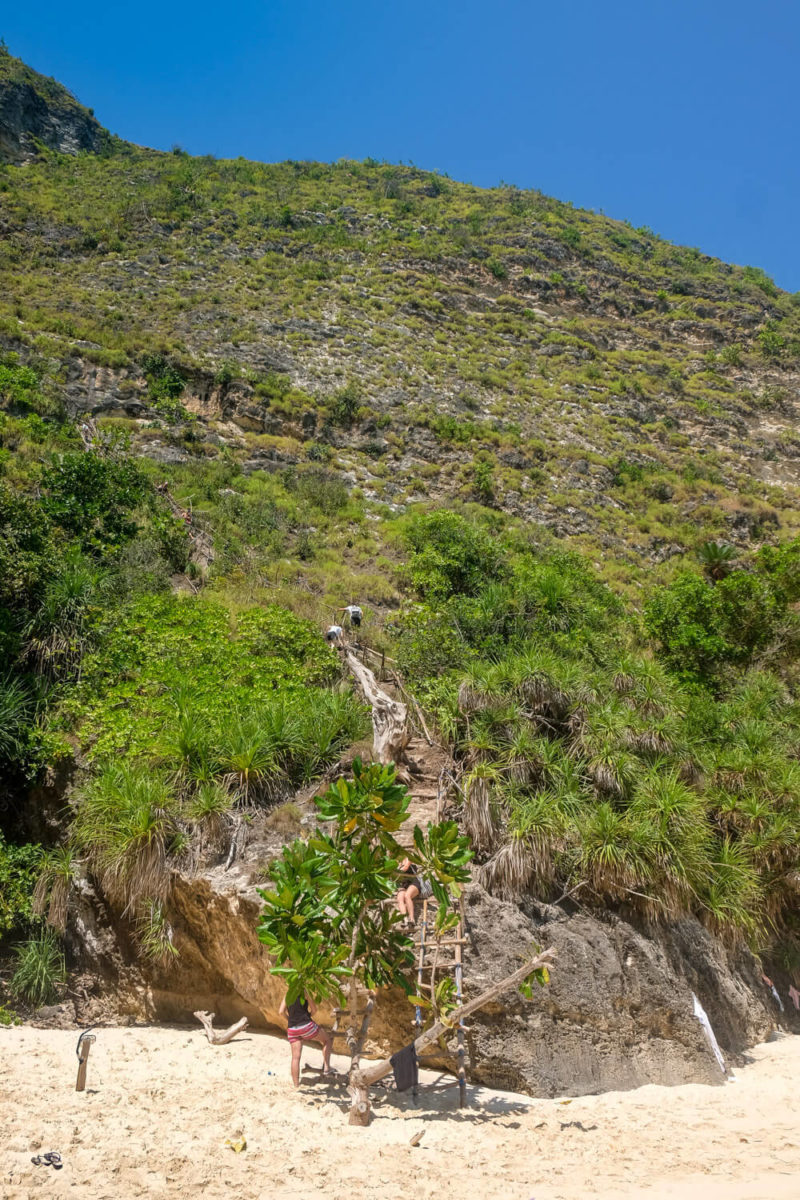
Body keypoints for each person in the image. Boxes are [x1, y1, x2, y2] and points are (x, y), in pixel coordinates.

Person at [278, 990, 334, 1088]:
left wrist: (289, 1019)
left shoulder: (287, 994)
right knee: (327, 1040)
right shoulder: (305, 992)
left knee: (295, 1058)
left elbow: (280, 1012)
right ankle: (326, 1068)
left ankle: (296, 1085)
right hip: (306, 1026)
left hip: (292, 1029)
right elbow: (314, 1010)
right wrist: (307, 1016)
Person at [395, 857, 433, 927]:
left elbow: (405, 868)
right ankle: (405, 920)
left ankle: (412, 920)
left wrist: (396, 870)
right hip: (405, 884)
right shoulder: (397, 862)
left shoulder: (408, 858)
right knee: (400, 898)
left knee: (407, 896)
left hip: (414, 882)